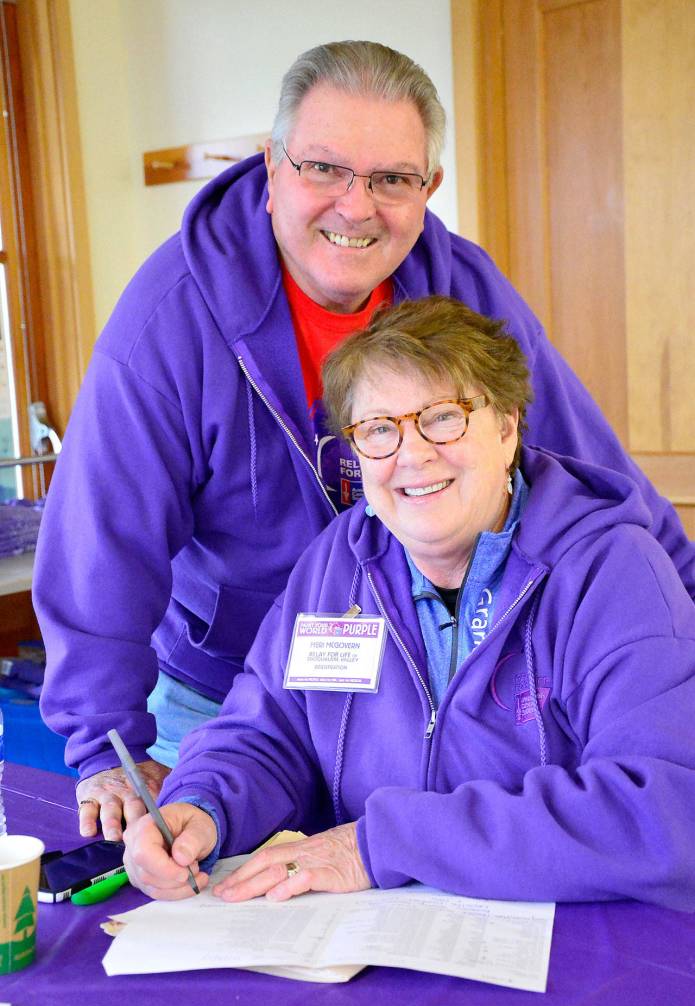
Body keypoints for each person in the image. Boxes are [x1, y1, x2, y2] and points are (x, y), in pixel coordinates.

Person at [34, 40, 695, 844]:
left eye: (390, 178)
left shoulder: (468, 290)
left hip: (434, 688)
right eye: (324, 169)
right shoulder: (167, 320)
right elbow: (102, 538)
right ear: (272, 167)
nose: (356, 207)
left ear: (427, 190)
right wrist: (106, 742)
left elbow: (590, 466)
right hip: (237, 705)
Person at [123, 297, 695, 910]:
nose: (412, 453)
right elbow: (268, 733)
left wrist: (381, 845)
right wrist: (204, 805)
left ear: (507, 427)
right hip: (377, 941)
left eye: (444, 417)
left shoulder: (611, 570)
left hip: (569, 944)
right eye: (378, 430)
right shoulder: (337, 565)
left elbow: (662, 806)